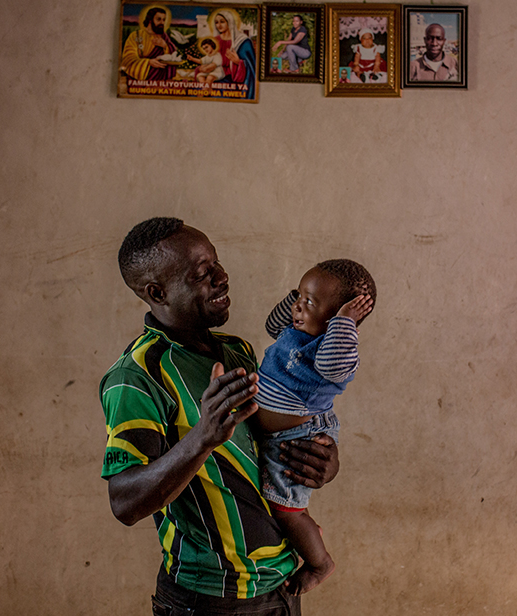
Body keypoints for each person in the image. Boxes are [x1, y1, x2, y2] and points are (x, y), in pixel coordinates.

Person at [101, 218, 339, 615]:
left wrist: (322, 462)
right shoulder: (137, 375)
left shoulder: (238, 352)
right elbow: (125, 502)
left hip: (281, 588)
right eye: (202, 273)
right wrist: (203, 437)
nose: (222, 277)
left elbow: (269, 450)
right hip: (208, 601)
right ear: (157, 292)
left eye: (216, 263)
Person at [252, 260, 375, 595]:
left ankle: (320, 564)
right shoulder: (294, 333)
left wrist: (345, 322)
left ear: (336, 320)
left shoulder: (336, 351)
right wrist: (298, 296)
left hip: (297, 438)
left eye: (310, 303)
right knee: (282, 508)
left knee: (286, 510)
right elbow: (271, 324)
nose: (297, 308)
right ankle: (307, 532)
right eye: (299, 298)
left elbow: (330, 364)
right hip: (275, 436)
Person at [120, 7, 178, 81]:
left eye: (164, 20)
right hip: (140, 80)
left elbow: (173, 55)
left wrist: (165, 46)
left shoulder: (164, 37)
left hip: (162, 81)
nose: (162, 23)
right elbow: (128, 60)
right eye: (158, 19)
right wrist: (148, 62)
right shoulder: (136, 36)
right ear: (150, 20)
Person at [212, 9, 257, 99]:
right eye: (216, 22)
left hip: (232, 80)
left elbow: (252, 67)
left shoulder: (243, 42)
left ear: (230, 22)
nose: (219, 25)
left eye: (222, 22)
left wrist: (238, 62)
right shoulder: (214, 41)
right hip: (215, 76)